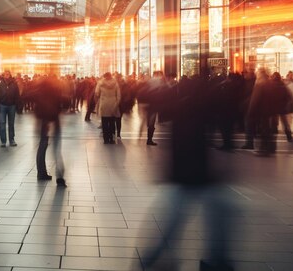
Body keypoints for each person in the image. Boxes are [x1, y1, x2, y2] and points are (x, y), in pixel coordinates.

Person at [140, 77, 235, 271]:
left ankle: (153, 259)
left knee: (175, 221)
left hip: (186, 175)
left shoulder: (185, 108)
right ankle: (215, 261)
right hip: (192, 175)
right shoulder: (194, 110)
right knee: (194, 219)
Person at [30, 74, 66, 186]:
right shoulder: (56, 89)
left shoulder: (38, 90)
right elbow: (64, 101)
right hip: (54, 121)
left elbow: (26, 96)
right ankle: (59, 175)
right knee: (56, 148)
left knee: (42, 146)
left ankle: (41, 173)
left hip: (43, 122)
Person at [137, 71, 167, 146]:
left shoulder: (150, 81)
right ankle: (149, 139)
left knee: (146, 121)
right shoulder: (158, 81)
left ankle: (141, 135)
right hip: (152, 105)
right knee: (151, 123)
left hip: (146, 104)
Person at [0, 70, 20, 147]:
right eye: (6, 74)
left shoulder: (14, 84)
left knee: (11, 124)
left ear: (10, 75)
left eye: (8, 74)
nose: (7, 75)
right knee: (2, 124)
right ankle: (3, 141)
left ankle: (11, 140)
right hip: (2, 106)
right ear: (3, 75)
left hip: (12, 106)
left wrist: (18, 105)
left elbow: (17, 95)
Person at [95, 72, 121, 144]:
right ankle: (111, 139)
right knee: (112, 122)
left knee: (104, 123)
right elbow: (119, 96)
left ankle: (106, 140)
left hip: (104, 104)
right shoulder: (115, 83)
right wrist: (116, 103)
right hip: (113, 104)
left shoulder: (100, 83)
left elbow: (97, 93)